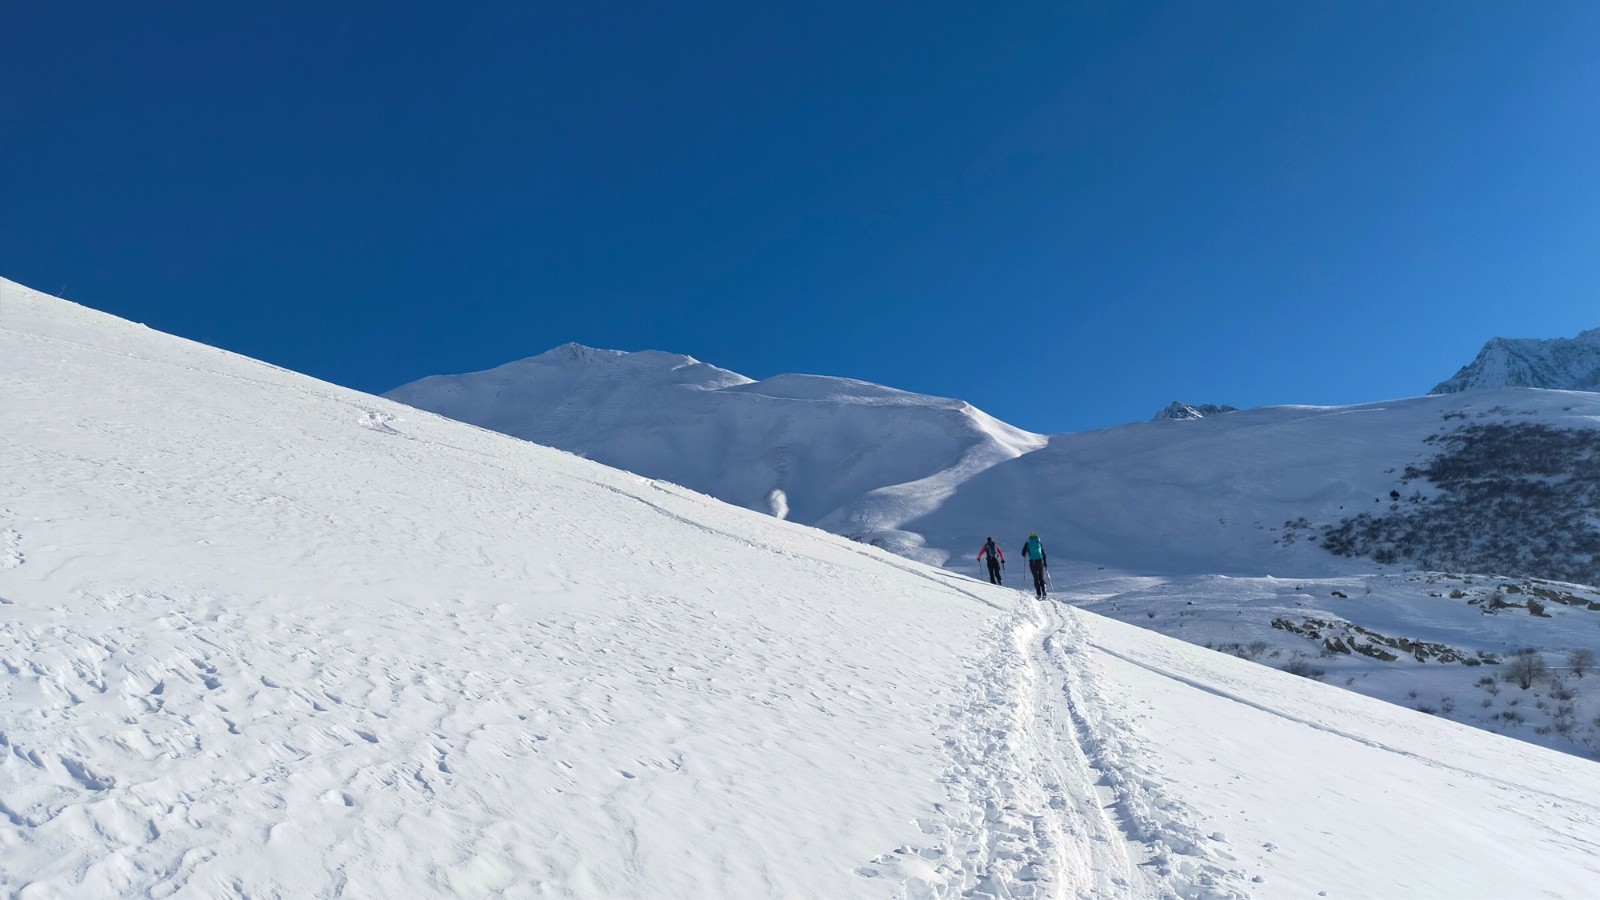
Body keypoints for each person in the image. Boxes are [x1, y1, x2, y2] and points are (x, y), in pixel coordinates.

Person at [1019, 532, 1048, 598]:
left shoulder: (1028, 543)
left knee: (1035, 578)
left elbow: (1023, 553)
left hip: (1032, 562)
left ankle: (1038, 594)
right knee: (1041, 577)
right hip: (1040, 561)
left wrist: (1027, 553)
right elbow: (1043, 554)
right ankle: (1044, 592)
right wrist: (1045, 563)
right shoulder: (1039, 543)